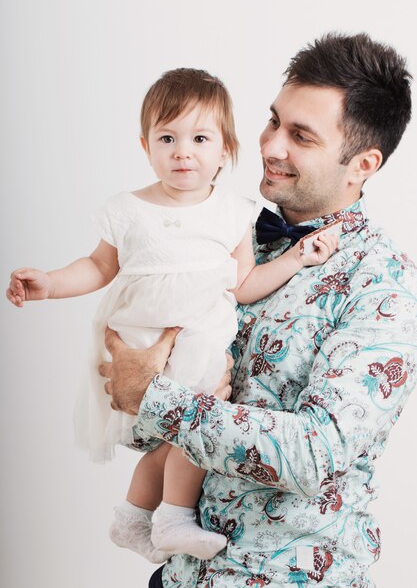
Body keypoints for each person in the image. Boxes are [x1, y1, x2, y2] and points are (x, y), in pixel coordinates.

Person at [99, 33, 417, 588]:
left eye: (301, 136)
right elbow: (155, 421)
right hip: (180, 573)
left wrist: (155, 396)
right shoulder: (225, 237)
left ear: (363, 163)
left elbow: (316, 454)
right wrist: (139, 376)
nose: (270, 145)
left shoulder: (383, 287)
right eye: (274, 121)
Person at [6, 68, 338, 564]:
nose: (183, 151)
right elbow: (99, 266)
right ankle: (172, 517)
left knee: (188, 424)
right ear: (146, 147)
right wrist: (50, 284)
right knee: (187, 422)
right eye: (168, 138)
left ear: (225, 149)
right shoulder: (129, 209)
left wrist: (296, 259)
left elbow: (243, 285)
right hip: (140, 338)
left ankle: (136, 516)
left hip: (199, 339)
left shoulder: (232, 213)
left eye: (199, 138)